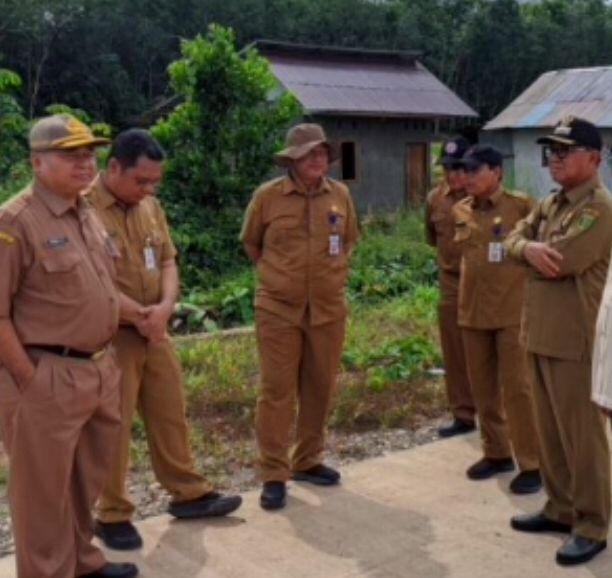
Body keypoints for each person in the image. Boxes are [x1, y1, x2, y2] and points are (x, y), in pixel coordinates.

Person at [86, 129, 242, 551]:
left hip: (155, 330)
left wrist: (166, 308)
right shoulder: (82, 210)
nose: (149, 189)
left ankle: (188, 492)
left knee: (170, 412)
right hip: (111, 337)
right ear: (113, 167)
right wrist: (139, 315)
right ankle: (111, 512)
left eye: (155, 182)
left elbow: (169, 260)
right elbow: (88, 282)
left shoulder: (150, 207)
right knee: (113, 426)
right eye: (141, 181)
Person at [0, 114, 137, 577]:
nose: (85, 162)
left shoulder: (85, 211)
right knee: (41, 494)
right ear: (38, 163)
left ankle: (81, 562)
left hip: (97, 371)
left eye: (89, 152)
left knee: (83, 482)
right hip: (47, 374)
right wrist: (28, 378)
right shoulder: (14, 221)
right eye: (70, 154)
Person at [505, 117, 612, 566]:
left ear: (595, 157)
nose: (555, 159)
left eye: (565, 151)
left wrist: (526, 249)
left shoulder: (600, 208)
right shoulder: (551, 203)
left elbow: (562, 261)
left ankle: (591, 524)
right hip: (539, 332)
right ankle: (560, 506)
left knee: (583, 437)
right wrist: (525, 248)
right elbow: (514, 238)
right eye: (551, 151)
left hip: (575, 338)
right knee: (548, 433)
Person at [240, 123, 360, 510]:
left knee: (320, 386)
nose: (319, 159)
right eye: (310, 154)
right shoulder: (268, 197)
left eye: (323, 153)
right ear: (292, 159)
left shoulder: (339, 195)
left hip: (327, 308)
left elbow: (351, 239)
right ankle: (274, 473)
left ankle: (307, 460)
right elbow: (251, 243)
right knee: (277, 391)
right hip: (278, 309)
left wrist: (334, 273)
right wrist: (279, 277)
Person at [452, 145, 541, 495]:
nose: (467, 178)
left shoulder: (521, 206)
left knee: (518, 389)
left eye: (475, 171)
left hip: (512, 313)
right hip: (472, 313)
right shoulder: (460, 209)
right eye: (465, 172)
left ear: (497, 172)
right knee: (483, 389)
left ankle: (532, 462)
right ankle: (496, 452)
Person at [425, 137, 476, 438]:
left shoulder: (482, 198)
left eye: (459, 168)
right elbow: (432, 237)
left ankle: (499, 415)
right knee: (455, 351)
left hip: (484, 284)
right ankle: (463, 414)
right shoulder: (435, 199)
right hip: (451, 282)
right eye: (447, 169)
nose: (453, 175)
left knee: (488, 350)